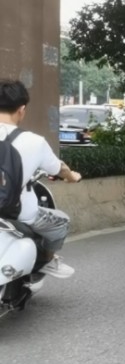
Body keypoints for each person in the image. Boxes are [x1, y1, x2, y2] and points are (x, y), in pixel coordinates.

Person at [0, 79, 82, 279]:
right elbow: (59, 169)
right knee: (61, 222)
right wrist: (72, 176)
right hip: (18, 215)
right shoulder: (35, 142)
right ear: (21, 109)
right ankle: (48, 260)